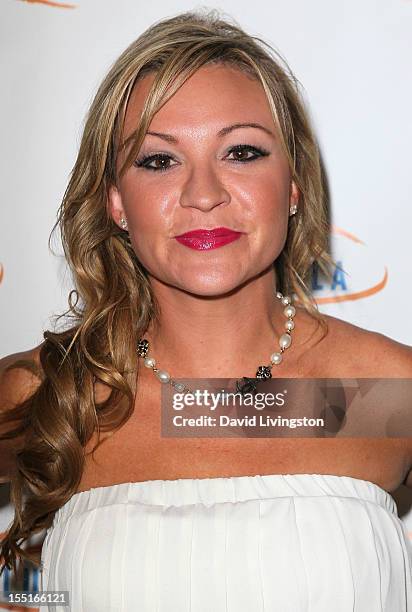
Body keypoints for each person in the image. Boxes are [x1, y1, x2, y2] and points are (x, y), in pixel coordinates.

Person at [1, 8, 411, 611]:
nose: (204, 195)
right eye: (159, 160)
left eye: (242, 152)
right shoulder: (49, 395)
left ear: (293, 185)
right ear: (116, 201)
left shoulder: (388, 393)